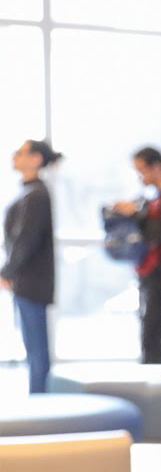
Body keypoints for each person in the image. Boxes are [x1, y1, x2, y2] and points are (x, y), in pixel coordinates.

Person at [113, 146, 161, 365]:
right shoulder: (148, 198)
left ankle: (155, 380)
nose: (140, 177)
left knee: (153, 330)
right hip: (145, 268)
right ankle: (149, 373)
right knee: (146, 327)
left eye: (142, 170)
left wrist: (136, 214)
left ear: (156, 167)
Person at [4, 140, 61, 393]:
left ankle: (41, 402)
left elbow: (26, 238)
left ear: (36, 159)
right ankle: (38, 398)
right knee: (32, 346)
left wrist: (7, 270)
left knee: (36, 348)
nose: (14, 156)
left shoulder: (36, 194)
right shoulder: (29, 192)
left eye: (20, 153)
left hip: (32, 282)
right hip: (25, 281)